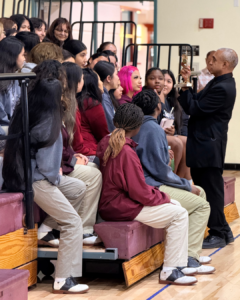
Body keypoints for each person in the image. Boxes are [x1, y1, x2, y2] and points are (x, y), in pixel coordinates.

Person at [3, 78, 89, 294]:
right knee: (72, 222)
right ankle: (63, 278)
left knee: (78, 188)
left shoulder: (27, 110)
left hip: (22, 174)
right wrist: (57, 179)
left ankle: (46, 228)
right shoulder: (49, 120)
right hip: (36, 180)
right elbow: (48, 166)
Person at [97, 103, 198, 286]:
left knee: (175, 207)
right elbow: (140, 193)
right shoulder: (126, 151)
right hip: (120, 206)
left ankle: (179, 264)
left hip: (113, 203)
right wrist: (164, 198)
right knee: (179, 213)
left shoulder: (106, 141)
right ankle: (171, 269)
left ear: (114, 121)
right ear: (138, 128)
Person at [133, 90, 215, 272]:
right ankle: (188, 257)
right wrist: (186, 184)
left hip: (148, 183)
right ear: (158, 107)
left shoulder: (138, 126)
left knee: (200, 191)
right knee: (202, 205)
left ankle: (189, 249)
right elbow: (161, 172)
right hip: (152, 186)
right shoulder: (153, 128)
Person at [179, 48, 238, 249]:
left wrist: (186, 88)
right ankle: (224, 231)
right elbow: (197, 101)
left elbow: (194, 108)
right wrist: (188, 84)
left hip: (208, 144)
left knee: (211, 190)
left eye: (214, 59)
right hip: (206, 142)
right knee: (209, 188)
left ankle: (218, 233)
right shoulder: (219, 82)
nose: (209, 61)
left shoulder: (223, 87)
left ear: (225, 65)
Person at [61, 62, 103, 245]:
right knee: (96, 169)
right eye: (81, 78)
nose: (83, 81)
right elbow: (73, 142)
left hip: (69, 154)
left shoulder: (73, 104)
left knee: (97, 165)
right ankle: (85, 227)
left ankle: (93, 223)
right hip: (65, 157)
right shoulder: (68, 106)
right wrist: (73, 157)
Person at [144, 68, 191, 181]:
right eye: (161, 80)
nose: (163, 83)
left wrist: (174, 131)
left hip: (167, 134)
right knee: (178, 142)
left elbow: (184, 124)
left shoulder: (174, 102)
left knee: (187, 141)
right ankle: (173, 180)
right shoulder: (147, 97)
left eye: (168, 81)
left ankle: (185, 180)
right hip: (152, 134)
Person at [73, 68, 109, 158]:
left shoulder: (77, 100)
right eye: (99, 80)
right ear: (93, 84)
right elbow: (102, 134)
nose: (101, 83)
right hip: (89, 149)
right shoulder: (91, 103)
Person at [0, 36, 25, 125]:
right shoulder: (3, 78)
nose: (24, 59)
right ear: (13, 55)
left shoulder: (15, 77)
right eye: (22, 55)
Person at [94, 61, 119, 132]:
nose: (118, 78)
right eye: (116, 74)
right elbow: (110, 124)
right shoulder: (103, 97)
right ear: (108, 78)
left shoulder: (106, 95)